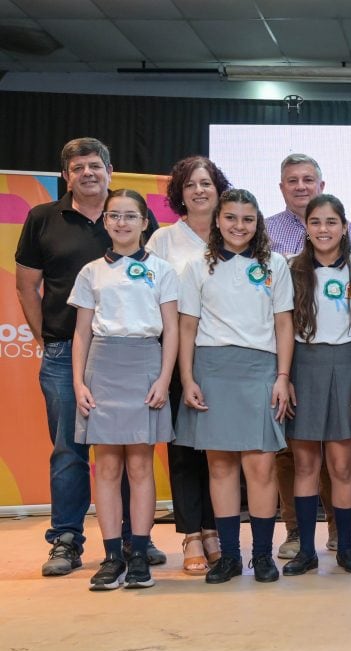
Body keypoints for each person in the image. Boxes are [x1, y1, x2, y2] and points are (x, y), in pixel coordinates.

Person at [15, 137, 164, 577]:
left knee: (131, 450)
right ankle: (66, 539)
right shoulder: (43, 218)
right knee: (69, 449)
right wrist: (48, 340)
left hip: (131, 357)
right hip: (67, 351)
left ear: (109, 170)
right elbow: (26, 285)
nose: (87, 173)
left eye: (94, 165)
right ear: (66, 176)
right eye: (77, 167)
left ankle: (137, 540)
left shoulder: (131, 216)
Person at [175, 189, 295, 585]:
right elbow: (187, 327)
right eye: (231, 218)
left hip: (260, 369)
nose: (239, 226)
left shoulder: (275, 264)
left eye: (247, 219)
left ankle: (262, 556)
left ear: (258, 222)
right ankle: (229, 556)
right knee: (221, 466)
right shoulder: (197, 266)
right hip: (212, 369)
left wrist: (281, 376)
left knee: (260, 466)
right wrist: (189, 378)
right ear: (218, 220)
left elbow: (283, 325)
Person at [69, 189, 179, 590]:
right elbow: (81, 333)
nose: (121, 223)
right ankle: (112, 555)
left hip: (145, 363)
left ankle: (139, 554)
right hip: (103, 366)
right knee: (108, 466)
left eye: (130, 216)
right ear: (105, 221)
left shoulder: (163, 270)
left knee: (139, 465)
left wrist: (164, 379)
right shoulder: (91, 271)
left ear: (145, 222)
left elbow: (171, 332)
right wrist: (79, 381)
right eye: (114, 216)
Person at [265, 153, 351, 560]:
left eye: (331, 222)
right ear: (305, 229)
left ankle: (344, 545)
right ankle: (305, 548)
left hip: (345, 365)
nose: (323, 229)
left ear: (344, 228)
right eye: (315, 222)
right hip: (303, 366)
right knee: (305, 463)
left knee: (342, 463)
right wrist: (285, 375)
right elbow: (285, 328)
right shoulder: (291, 269)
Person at [147, 155, 230, 575]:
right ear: (180, 194)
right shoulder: (163, 240)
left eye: (207, 183)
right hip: (176, 351)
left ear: (219, 188)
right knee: (182, 448)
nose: (200, 190)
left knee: (219, 447)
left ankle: (216, 529)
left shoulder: (233, 233)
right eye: (191, 185)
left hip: (223, 356)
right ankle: (191, 533)